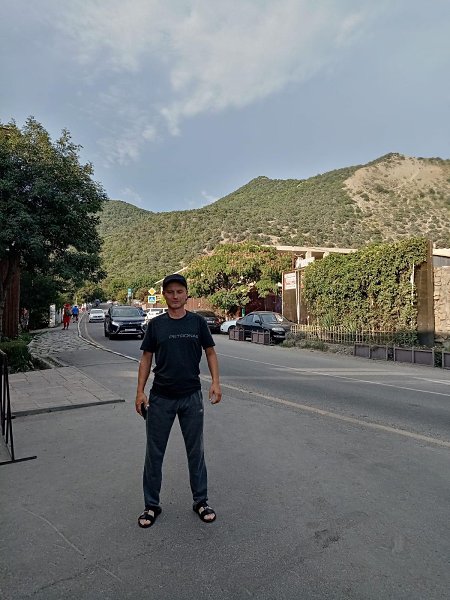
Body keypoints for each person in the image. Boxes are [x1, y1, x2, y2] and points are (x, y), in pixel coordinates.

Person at [135, 274, 222, 528]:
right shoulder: (156, 325)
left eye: (179, 291)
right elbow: (146, 358)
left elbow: (210, 352)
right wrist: (140, 391)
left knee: (196, 452)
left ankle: (201, 501)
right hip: (161, 398)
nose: (175, 296)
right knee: (154, 453)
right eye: (170, 292)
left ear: (186, 294)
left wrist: (216, 382)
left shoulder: (197, 323)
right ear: (164, 295)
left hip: (191, 397)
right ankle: (151, 505)